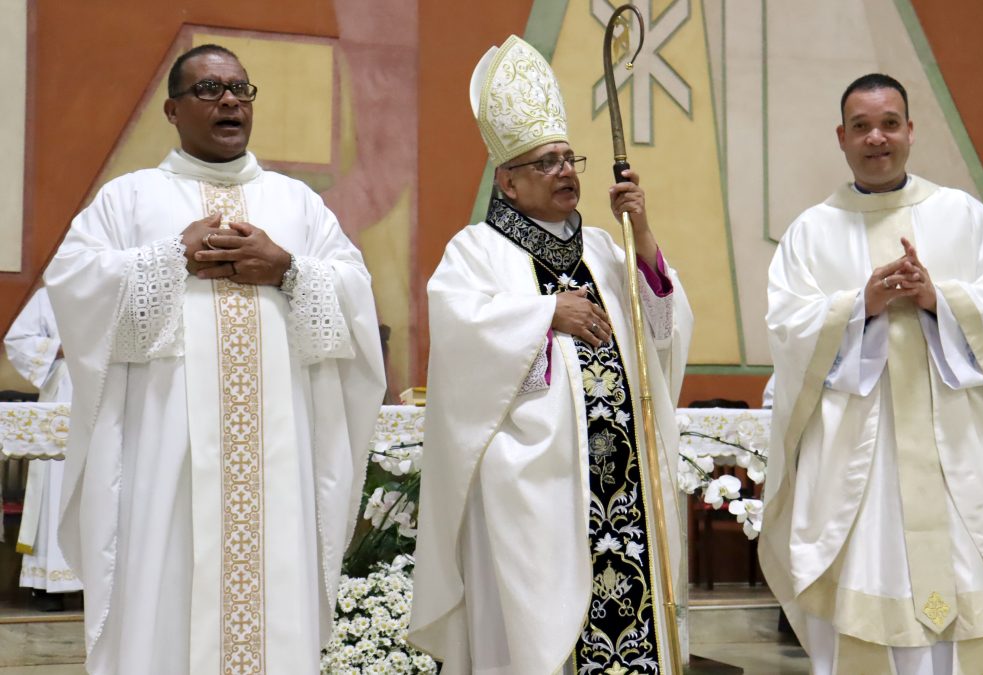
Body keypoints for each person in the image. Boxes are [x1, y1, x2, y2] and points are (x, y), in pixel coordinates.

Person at [44, 44, 386, 675]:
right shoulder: (131, 199)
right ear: (172, 110)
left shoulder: (297, 203)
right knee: (166, 595)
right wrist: (168, 256)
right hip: (165, 457)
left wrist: (286, 269)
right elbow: (72, 287)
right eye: (208, 89)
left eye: (240, 90)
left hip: (277, 463)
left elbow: (355, 295)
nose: (229, 100)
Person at [409, 35, 693, 675]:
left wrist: (641, 232)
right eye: (546, 163)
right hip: (533, 490)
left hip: (624, 485)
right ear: (507, 182)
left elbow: (662, 331)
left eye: (570, 159)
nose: (567, 171)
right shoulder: (475, 252)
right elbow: (461, 343)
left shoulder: (603, 246)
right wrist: (545, 314)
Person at [761, 73, 983, 674]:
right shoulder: (811, 232)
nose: (876, 138)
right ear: (841, 137)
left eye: (888, 124)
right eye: (861, 126)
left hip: (952, 450)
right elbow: (787, 327)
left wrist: (939, 298)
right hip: (862, 461)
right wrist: (860, 307)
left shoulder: (963, 215)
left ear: (911, 130)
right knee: (866, 578)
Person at [4, 287, 82, 609]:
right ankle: (49, 584)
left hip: (110, 395)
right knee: (56, 487)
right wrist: (59, 349)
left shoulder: (118, 289)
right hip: (63, 395)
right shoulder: (50, 294)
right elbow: (18, 340)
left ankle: (97, 584)